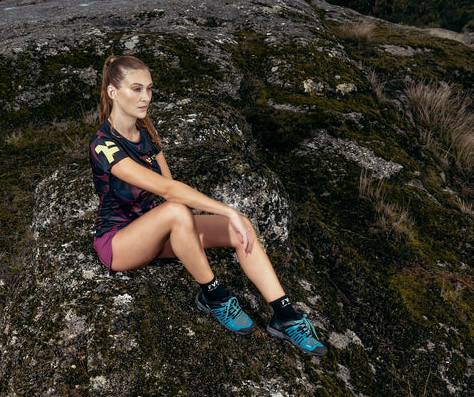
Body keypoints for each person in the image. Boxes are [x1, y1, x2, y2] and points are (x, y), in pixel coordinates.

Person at [89, 55, 327, 356]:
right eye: (136, 89)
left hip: (155, 229)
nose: (146, 97)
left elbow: (170, 190)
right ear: (113, 93)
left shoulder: (146, 133)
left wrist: (233, 218)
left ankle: (285, 316)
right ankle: (214, 296)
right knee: (182, 212)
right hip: (119, 244)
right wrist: (227, 208)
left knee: (239, 228)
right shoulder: (103, 144)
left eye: (149, 89)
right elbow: (167, 189)